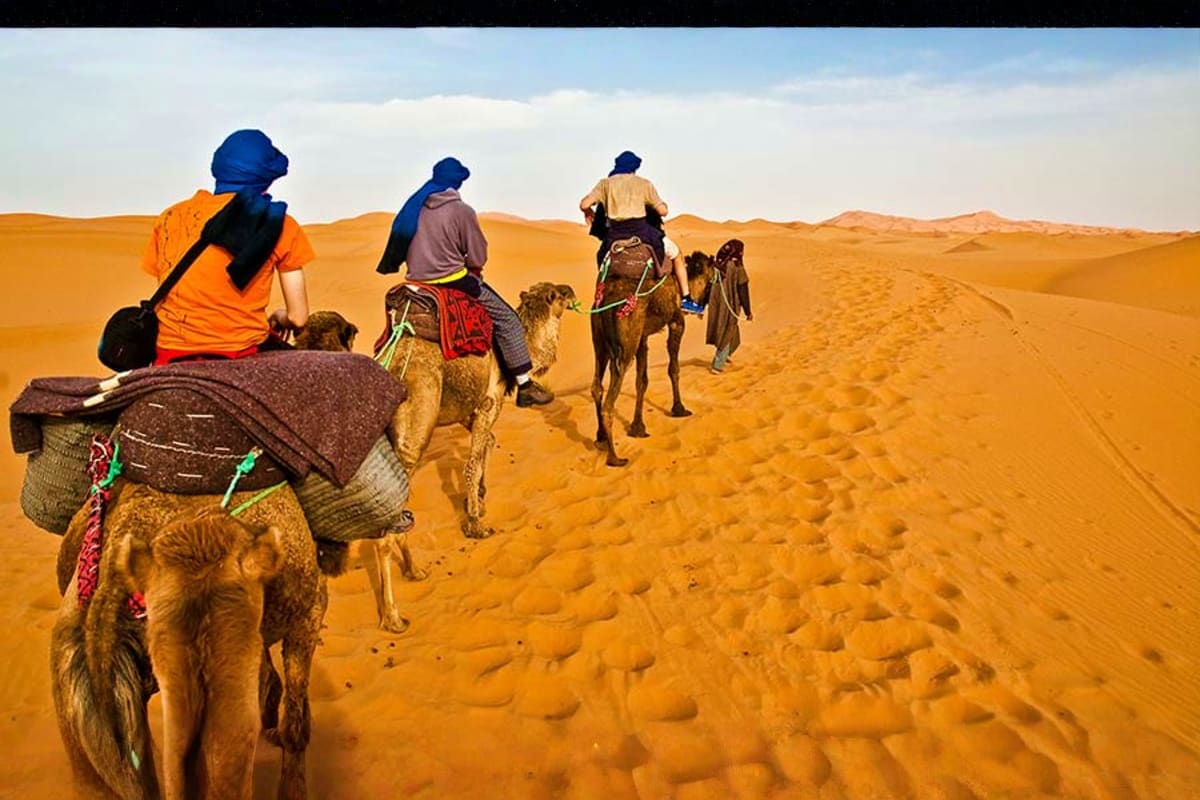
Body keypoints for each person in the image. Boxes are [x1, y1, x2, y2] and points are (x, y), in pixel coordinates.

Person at [375, 157, 554, 408]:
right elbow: (478, 253)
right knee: (508, 320)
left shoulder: (413, 208)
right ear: (458, 182)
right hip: (452, 281)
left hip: (415, 284)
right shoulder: (462, 211)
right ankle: (525, 385)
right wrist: (473, 267)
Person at [140, 129, 314, 365]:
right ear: (269, 176)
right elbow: (299, 318)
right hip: (241, 351)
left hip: (168, 351)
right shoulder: (279, 223)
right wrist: (280, 317)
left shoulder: (170, 217)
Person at [579, 150, 705, 315]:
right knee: (677, 255)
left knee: (602, 257)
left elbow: (583, 204)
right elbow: (663, 211)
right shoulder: (644, 184)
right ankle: (686, 299)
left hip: (615, 236)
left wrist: (589, 212)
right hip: (641, 232)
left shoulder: (605, 184)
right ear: (634, 168)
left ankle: (601, 291)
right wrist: (660, 204)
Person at [706, 239, 753, 373]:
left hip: (717, 306)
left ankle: (726, 354)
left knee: (733, 335)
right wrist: (748, 311)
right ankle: (717, 365)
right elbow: (743, 290)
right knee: (727, 332)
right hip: (729, 307)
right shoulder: (738, 268)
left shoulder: (717, 266)